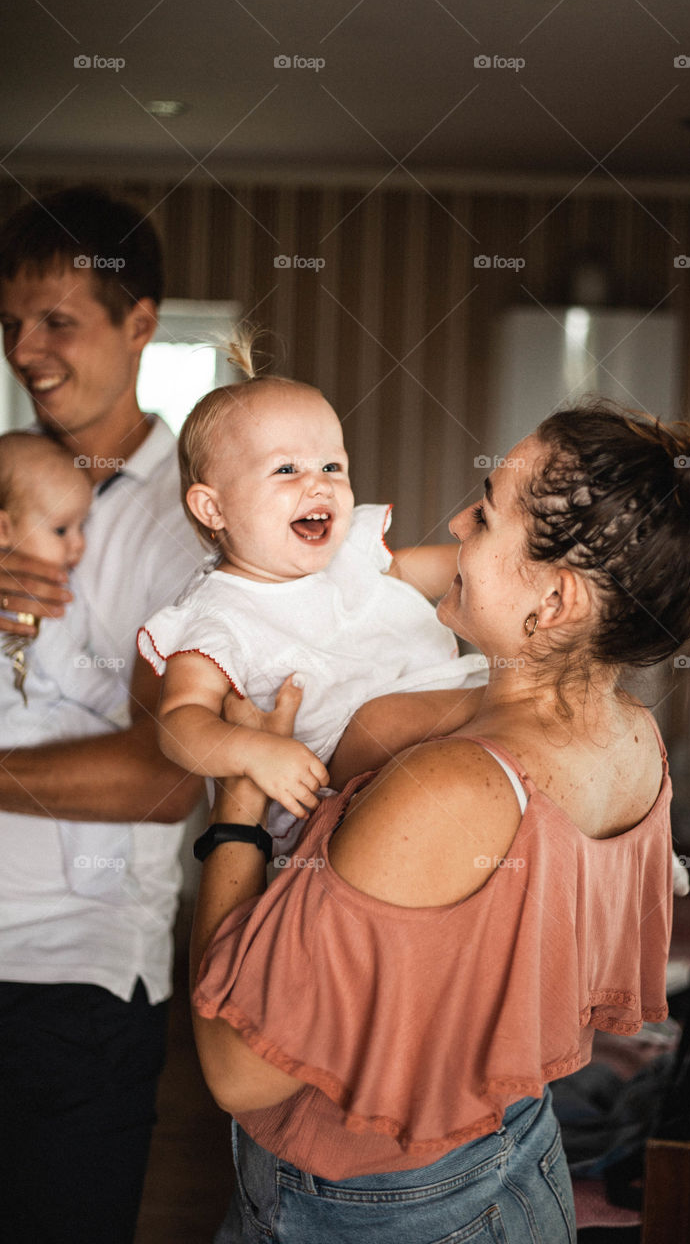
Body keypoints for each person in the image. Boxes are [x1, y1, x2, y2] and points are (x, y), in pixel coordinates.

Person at [189, 405, 690, 1243]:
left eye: (487, 511)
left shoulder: (452, 786)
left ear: (555, 597)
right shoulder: (630, 734)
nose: (457, 523)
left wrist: (236, 810)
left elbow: (236, 1072)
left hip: (378, 1207)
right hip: (517, 1154)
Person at [0, 186, 204, 1244]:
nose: (24, 351)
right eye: (10, 322)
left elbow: (164, 775)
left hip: (70, 981)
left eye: (57, 321)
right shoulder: (6, 482)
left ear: (140, 324)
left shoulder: (190, 525)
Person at [137, 343, 487, 842]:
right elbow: (179, 720)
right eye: (286, 470)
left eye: (332, 467)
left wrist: (497, 560)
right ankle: (526, 702)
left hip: (429, 741)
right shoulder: (218, 614)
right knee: (434, 711)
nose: (319, 486)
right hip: (331, 785)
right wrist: (254, 752)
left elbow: (410, 571)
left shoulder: (347, 554)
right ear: (213, 509)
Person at [0, 430, 135, 897]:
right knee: (94, 741)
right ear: (4, 529)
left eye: (82, 527)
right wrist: (120, 709)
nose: (78, 545)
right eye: (61, 530)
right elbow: (71, 670)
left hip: (17, 718)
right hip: (26, 723)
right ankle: (95, 873)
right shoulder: (42, 593)